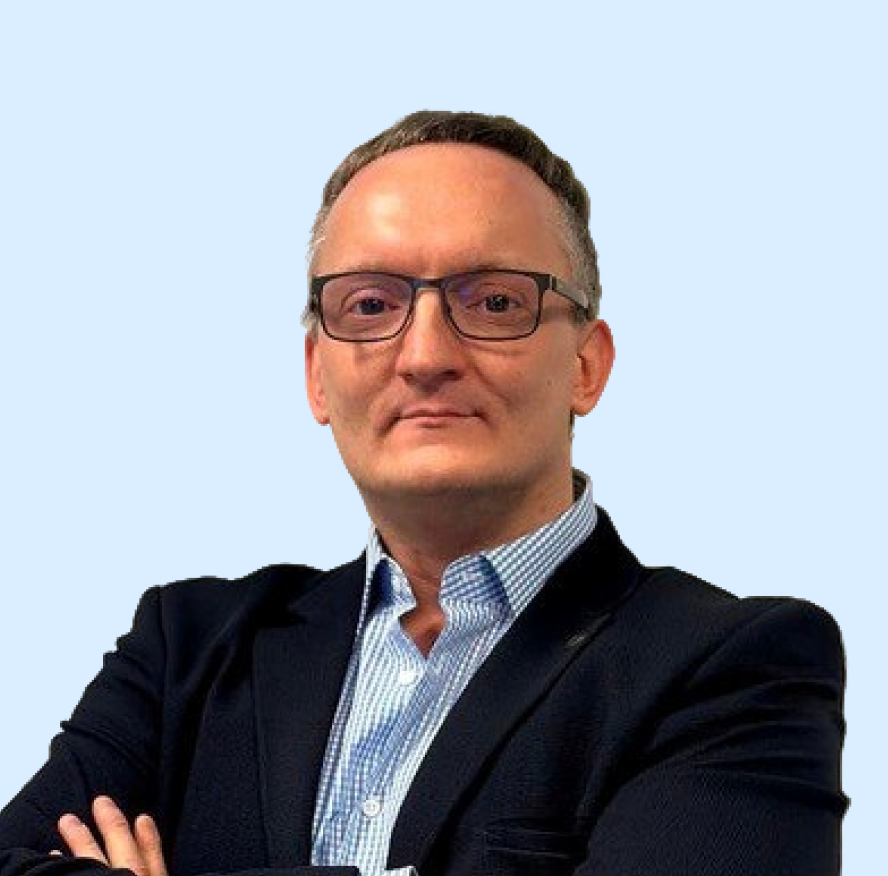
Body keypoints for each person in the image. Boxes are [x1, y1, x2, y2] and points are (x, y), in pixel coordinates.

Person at [0, 111, 847, 876]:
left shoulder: (736, 669)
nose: (426, 355)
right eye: (371, 304)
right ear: (317, 377)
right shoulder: (185, 651)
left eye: (496, 301)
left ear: (587, 365)